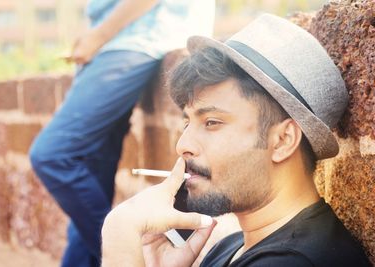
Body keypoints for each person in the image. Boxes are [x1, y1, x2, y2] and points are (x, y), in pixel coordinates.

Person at [101, 14, 371, 267]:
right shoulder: (233, 248)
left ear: (282, 140)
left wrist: (121, 240)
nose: (182, 145)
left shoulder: (297, 262)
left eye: (212, 123)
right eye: (187, 123)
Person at [29, 1, 215, 266]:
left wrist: (98, 36)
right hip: (118, 44)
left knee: (52, 155)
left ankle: (134, 252)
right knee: (91, 178)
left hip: (139, 40)